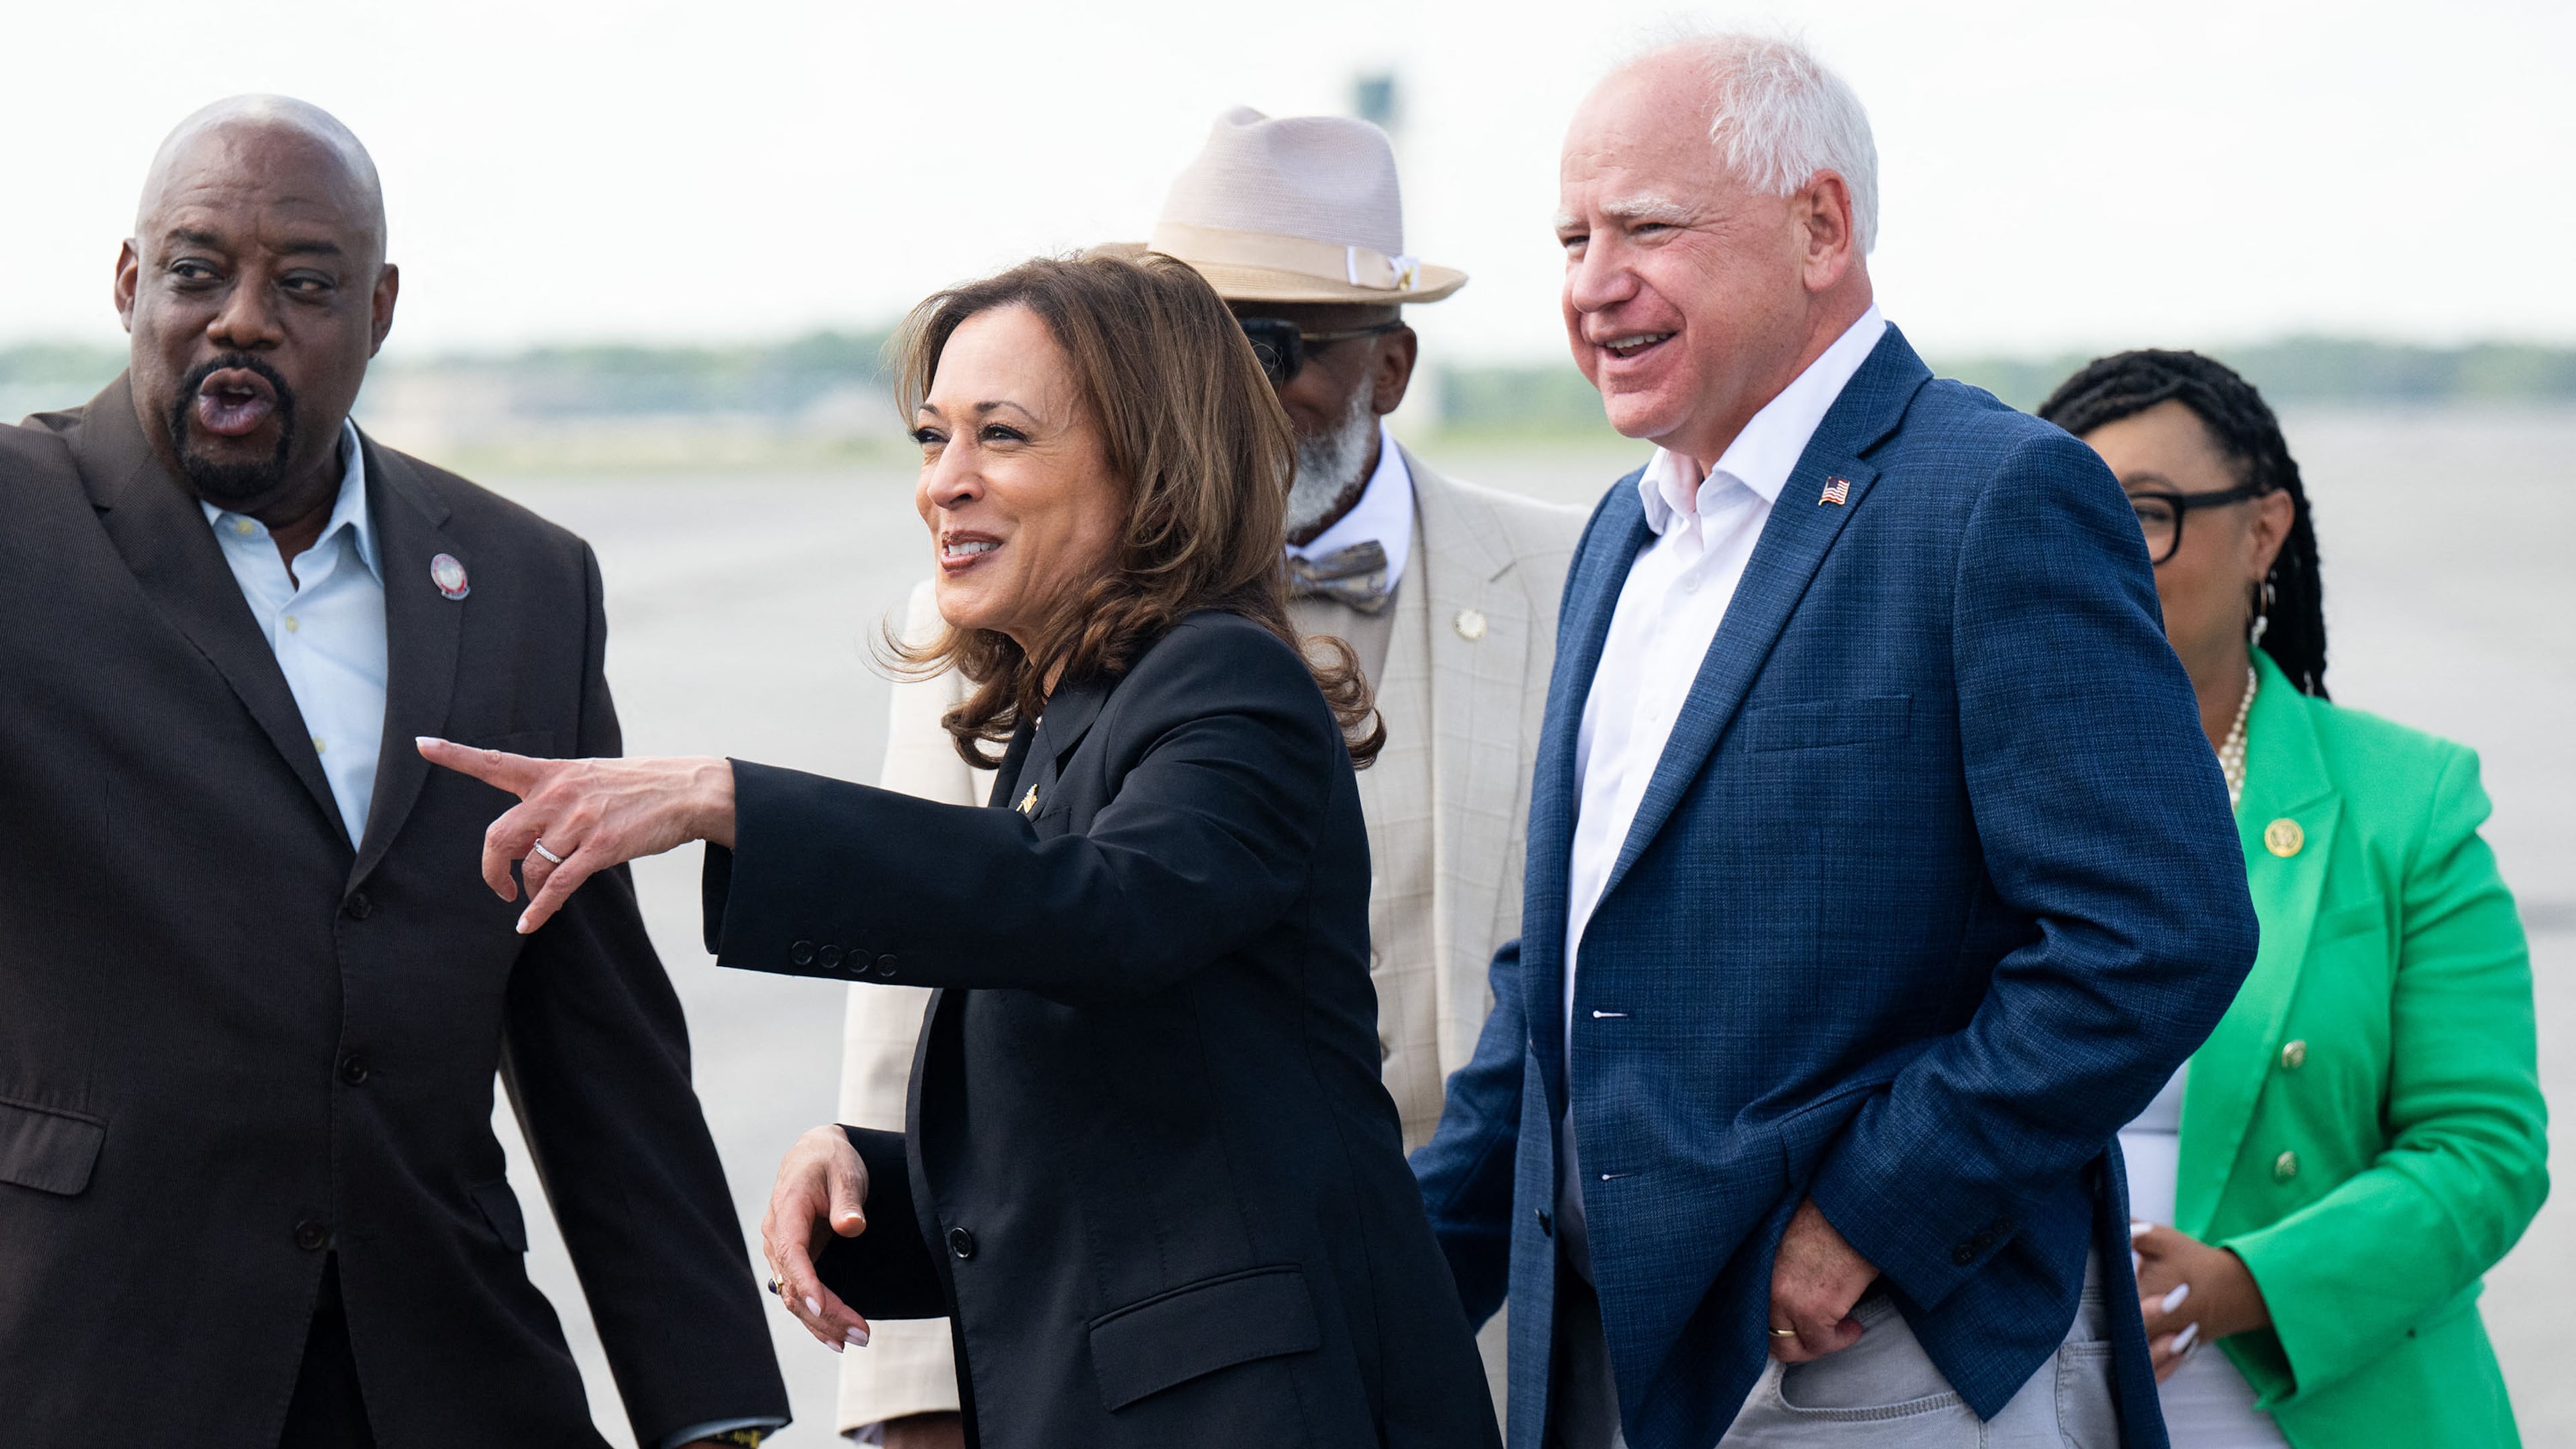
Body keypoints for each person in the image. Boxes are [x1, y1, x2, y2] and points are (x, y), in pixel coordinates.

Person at [421, 251, 1503, 1449]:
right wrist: (869, 1192)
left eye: (1002, 436)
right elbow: (1108, 1151)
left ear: (1151, 465)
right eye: (933, 439)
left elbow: (1104, 910)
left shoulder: (1228, 680)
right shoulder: (1065, 722)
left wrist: (726, 800)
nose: (946, 483)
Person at [1407, 33, 2261, 1449]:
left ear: (1821, 228)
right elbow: (1565, 973)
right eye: (1571, 238)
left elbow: (2159, 932)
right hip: (1614, 1364)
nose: (1591, 283)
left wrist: (1872, 1213)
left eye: (1648, 229)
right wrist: (1401, 1288)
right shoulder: (1625, 534)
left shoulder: (1996, 496)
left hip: (1868, 1359)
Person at [0, 98, 785, 1446]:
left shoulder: (528, 579)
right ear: (131, 286)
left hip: (443, 1373)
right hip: (90, 1359)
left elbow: (593, 1024)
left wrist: (709, 1409)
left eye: (304, 284)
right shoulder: (17, 528)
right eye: (197, 273)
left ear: (379, 308)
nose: (242, 318)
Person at [836, 106, 1584, 1445]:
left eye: (1267, 345)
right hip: (1167, 1373)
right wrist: (913, 1394)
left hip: (1515, 1340)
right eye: (1181, 337)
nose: (1215, 385)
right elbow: (916, 1012)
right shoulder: (982, 613)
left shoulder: (1572, 581)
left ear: (1394, 365)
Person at [2039, 350, 2548, 1449]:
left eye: (2149, 511)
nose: (2112, 554)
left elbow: (2485, 1148)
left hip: (2330, 1398)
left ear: (2263, 531)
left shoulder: (2405, 803)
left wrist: (2234, 1286)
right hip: (2022, 1392)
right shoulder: (1972, 796)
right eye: (2073, 516)